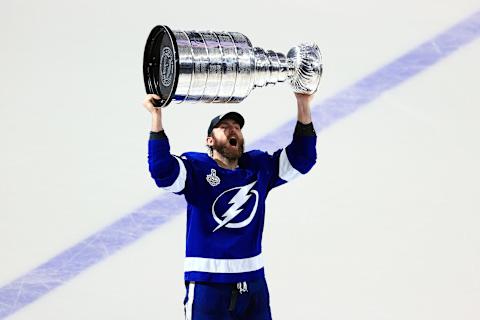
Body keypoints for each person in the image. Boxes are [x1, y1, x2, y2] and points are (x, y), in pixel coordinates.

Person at [143, 92, 317, 320]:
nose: (232, 129)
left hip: (253, 284)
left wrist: (302, 103)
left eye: (236, 126)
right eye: (224, 127)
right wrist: (156, 118)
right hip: (208, 285)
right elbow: (161, 170)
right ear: (210, 141)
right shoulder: (197, 168)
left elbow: (303, 158)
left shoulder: (257, 167)